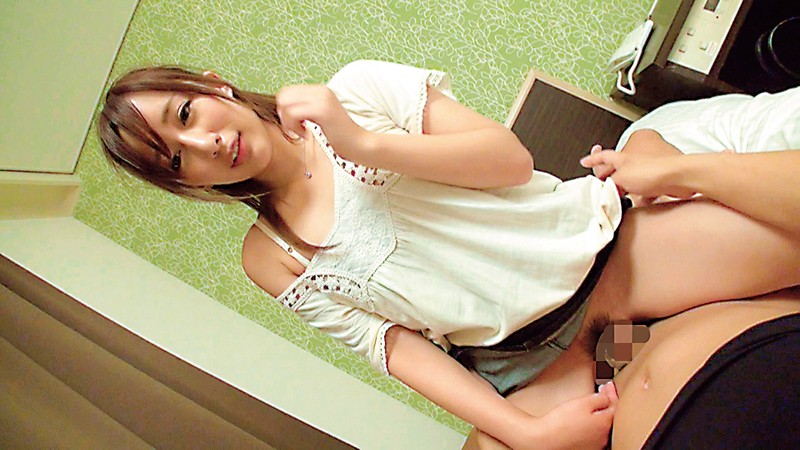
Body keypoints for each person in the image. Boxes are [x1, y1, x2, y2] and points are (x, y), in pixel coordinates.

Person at [97, 60, 800, 450]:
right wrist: (523, 432)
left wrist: (362, 143)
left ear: (210, 87)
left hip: (605, 257)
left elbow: (508, 160)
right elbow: (394, 348)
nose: (206, 145)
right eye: (177, 160)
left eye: (185, 116)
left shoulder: (356, 92)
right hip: (522, 359)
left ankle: (647, 313)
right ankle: (638, 344)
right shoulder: (268, 255)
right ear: (185, 185)